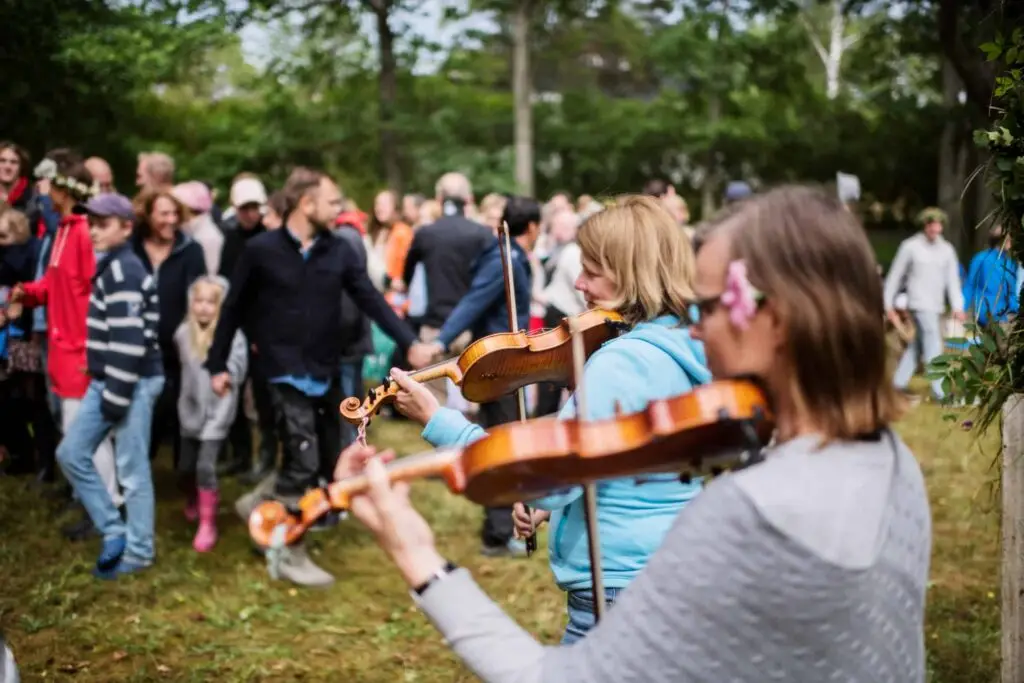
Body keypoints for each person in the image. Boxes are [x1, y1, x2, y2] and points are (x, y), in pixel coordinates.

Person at [331, 185, 930, 682]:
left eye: (712, 307)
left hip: (610, 592)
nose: (697, 331)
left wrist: (415, 551)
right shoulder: (892, 465)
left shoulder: (747, 509)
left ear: (774, 321)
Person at [399, 195, 713, 639]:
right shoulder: (690, 345)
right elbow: (625, 461)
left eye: (592, 272)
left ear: (632, 274)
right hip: (673, 565)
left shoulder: (620, 362)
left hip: (616, 584)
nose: (579, 284)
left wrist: (439, 420)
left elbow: (547, 480)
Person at [205, 168, 433, 587]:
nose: (340, 208)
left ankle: (261, 501)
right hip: (280, 372)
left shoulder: (339, 250)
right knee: (303, 458)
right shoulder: (260, 250)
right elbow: (233, 309)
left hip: (325, 369)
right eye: (332, 201)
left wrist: (410, 341)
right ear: (306, 204)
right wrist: (218, 364)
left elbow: (370, 298)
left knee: (328, 458)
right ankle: (285, 547)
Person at [408, 195, 543, 559]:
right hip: (502, 366)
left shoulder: (505, 255)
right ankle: (498, 533)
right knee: (501, 445)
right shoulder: (506, 259)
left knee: (502, 441)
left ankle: (499, 527)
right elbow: (474, 301)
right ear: (533, 227)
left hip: (508, 362)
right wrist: (439, 340)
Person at [55, 193, 164, 578]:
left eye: (103, 224)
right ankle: (113, 529)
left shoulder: (125, 272)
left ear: (126, 227)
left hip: (130, 383)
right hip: (110, 381)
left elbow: (130, 344)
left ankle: (139, 551)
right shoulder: (111, 266)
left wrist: (116, 398)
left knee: (132, 470)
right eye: (91, 224)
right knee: (71, 452)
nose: (94, 231)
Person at [175, 276, 247, 552]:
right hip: (190, 411)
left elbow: (238, 368)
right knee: (185, 467)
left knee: (205, 466)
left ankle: (208, 523)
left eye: (211, 302)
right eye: (199, 301)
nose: (204, 308)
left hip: (218, 412)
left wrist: (227, 376)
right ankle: (193, 498)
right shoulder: (183, 335)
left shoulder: (232, 337)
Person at [884, 206, 964, 401]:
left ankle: (896, 386)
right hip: (918, 304)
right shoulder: (910, 247)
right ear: (924, 225)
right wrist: (887, 303)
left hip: (936, 305)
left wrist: (958, 306)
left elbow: (952, 281)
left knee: (918, 347)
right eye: (930, 224)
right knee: (933, 343)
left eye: (937, 225)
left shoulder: (947, 250)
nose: (934, 229)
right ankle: (940, 392)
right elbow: (894, 277)